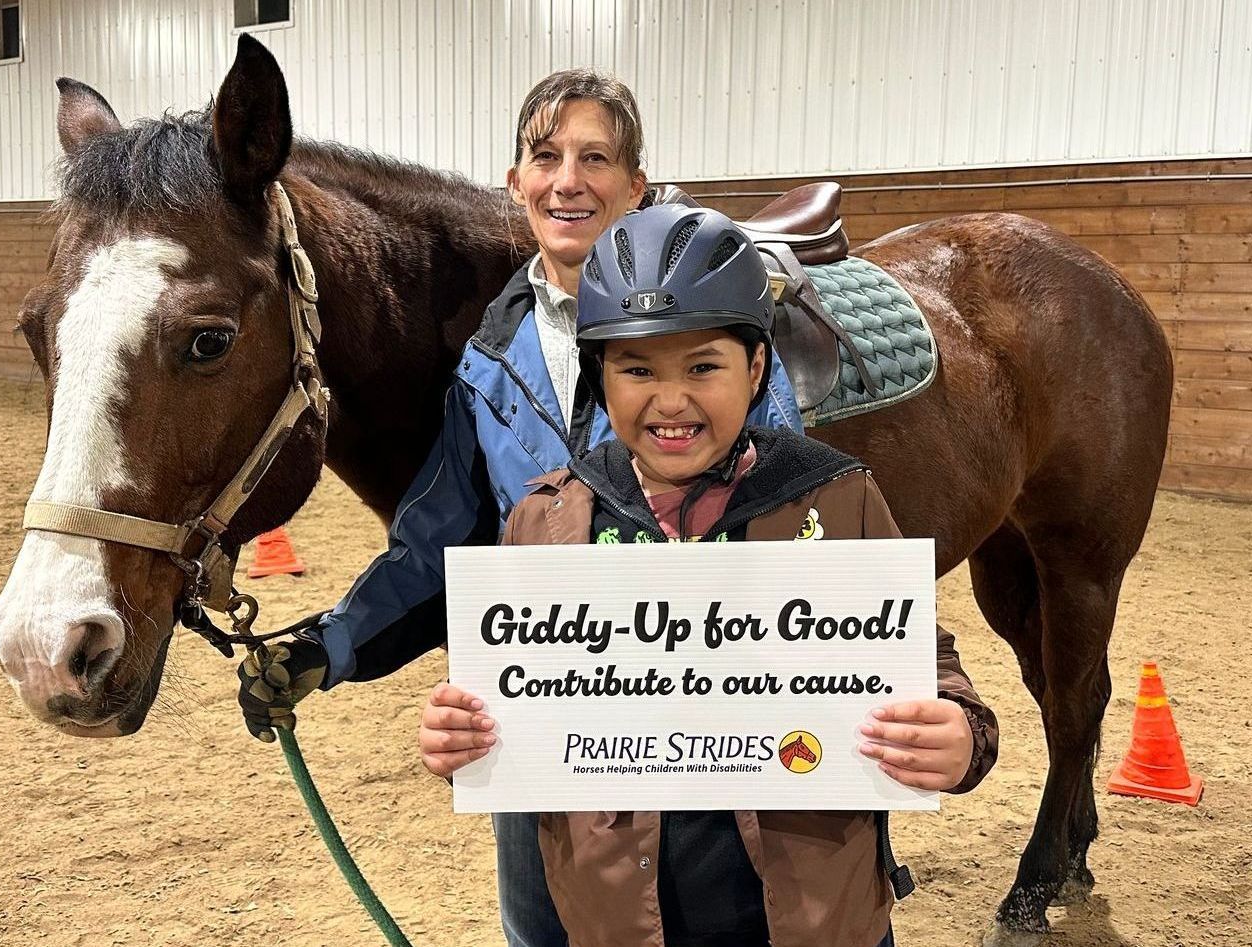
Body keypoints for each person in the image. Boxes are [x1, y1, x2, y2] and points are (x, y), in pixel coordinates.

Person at [235, 70, 801, 946]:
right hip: (548, 736)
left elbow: (786, 509)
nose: (567, 180)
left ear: (635, 187)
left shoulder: (714, 335)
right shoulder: (489, 357)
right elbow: (437, 542)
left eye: (595, 158)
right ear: (515, 184)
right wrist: (329, 644)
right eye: (546, 157)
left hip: (708, 737)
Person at [415, 206, 1001, 946]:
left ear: (755, 368)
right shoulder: (547, 522)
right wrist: (460, 738)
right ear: (601, 374)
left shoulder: (836, 498)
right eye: (636, 369)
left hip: (810, 920)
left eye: (703, 366)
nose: (670, 400)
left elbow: (925, 662)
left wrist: (960, 731)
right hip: (619, 922)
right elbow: (514, 709)